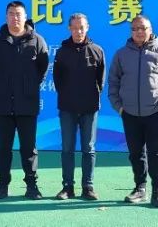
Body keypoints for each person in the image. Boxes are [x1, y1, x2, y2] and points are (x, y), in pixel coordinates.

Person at [108, 15, 158, 209]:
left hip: (155, 113)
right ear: (131, 31)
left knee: (156, 154)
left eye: (143, 28)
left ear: (151, 29)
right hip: (130, 113)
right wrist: (119, 106)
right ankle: (140, 188)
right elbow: (113, 82)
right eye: (135, 29)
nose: (139, 32)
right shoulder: (121, 54)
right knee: (135, 153)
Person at [0, 1, 49, 200]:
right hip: (3, 103)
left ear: (25, 17)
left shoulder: (37, 40)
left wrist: (29, 85)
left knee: (29, 148)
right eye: (11, 14)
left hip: (27, 104)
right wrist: (4, 83)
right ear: (6, 17)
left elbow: (43, 68)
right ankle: (2, 185)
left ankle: (32, 186)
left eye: (18, 14)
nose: (15, 18)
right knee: (3, 148)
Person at [53, 12, 105, 201]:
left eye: (81, 27)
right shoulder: (62, 52)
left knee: (88, 148)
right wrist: (68, 95)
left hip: (90, 108)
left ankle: (88, 187)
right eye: (74, 28)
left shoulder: (97, 50)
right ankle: (68, 187)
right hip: (67, 108)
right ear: (69, 29)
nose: (78, 31)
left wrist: (90, 96)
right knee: (67, 148)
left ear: (87, 28)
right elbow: (57, 80)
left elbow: (101, 80)